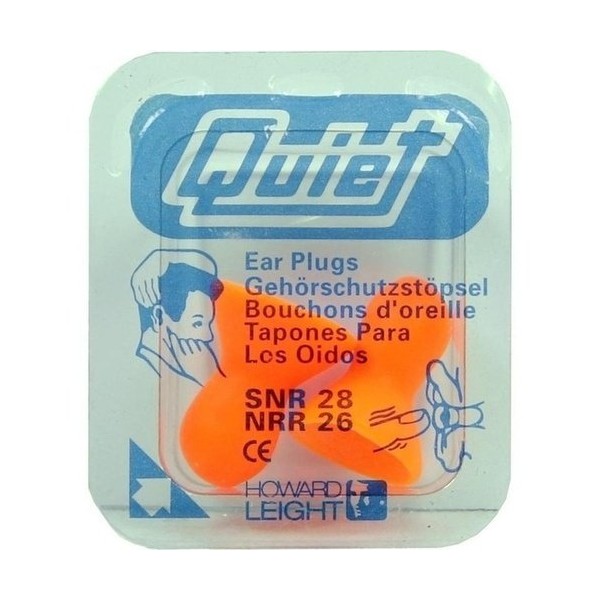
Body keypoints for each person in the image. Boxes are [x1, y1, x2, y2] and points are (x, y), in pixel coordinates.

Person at [131, 249, 224, 386]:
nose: (209, 336)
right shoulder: (145, 379)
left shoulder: (179, 373)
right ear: (158, 317)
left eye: (208, 324)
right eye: (197, 323)